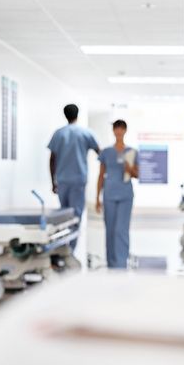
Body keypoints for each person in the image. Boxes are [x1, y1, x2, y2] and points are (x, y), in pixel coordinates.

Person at [48, 104, 100, 250]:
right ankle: (70, 250)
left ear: (65, 115)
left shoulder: (58, 134)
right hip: (78, 180)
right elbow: (100, 153)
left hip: (63, 180)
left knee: (64, 216)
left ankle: (64, 249)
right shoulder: (85, 133)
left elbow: (52, 159)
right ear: (78, 114)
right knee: (76, 216)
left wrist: (53, 181)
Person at [96, 120, 138, 269]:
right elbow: (101, 175)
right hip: (109, 194)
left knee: (122, 229)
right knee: (110, 230)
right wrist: (97, 198)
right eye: (116, 129)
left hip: (125, 195)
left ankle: (121, 263)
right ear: (113, 131)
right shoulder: (106, 152)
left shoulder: (132, 152)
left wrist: (129, 167)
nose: (119, 131)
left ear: (125, 131)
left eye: (121, 129)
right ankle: (111, 263)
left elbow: (137, 174)